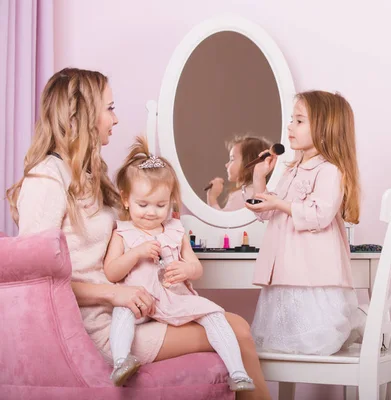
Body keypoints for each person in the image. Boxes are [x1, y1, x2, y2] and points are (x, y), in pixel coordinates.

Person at [6, 68, 269, 399]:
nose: (115, 120)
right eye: (110, 108)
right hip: (98, 330)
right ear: (81, 115)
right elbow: (38, 288)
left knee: (236, 332)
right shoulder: (47, 180)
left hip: (129, 312)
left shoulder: (88, 175)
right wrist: (114, 295)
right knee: (239, 332)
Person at [103, 136, 255, 390]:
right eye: (143, 205)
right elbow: (111, 271)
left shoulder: (175, 230)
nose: (152, 212)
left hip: (175, 298)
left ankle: (238, 373)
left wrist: (186, 269)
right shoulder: (123, 232)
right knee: (122, 312)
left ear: (171, 201)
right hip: (140, 301)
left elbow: (196, 267)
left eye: (161, 205)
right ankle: (121, 361)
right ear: (126, 199)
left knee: (215, 316)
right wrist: (137, 253)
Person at [245, 90, 363, 355]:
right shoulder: (293, 169)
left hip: (312, 272)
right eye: (291, 120)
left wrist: (278, 204)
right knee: (284, 339)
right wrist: (259, 178)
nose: (290, 126)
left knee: (311, 338)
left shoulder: (330, 170)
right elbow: (269, 212)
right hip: (287, 271)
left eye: (299, 121)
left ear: (324, 128)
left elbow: (319, 214)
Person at [207, 135, 272, 211]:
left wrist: (212, 197)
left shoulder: (241, 195)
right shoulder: (264, 192)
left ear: (249, 163)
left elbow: (222, 221)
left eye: (232, 159)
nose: (226, 165)